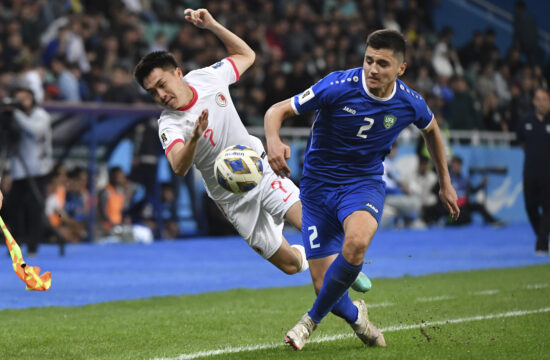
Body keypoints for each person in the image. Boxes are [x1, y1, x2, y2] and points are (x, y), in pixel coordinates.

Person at [133, 8, 370, 289]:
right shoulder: (169, 124)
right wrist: (194, 137)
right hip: (231, 197)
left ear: (178, 73)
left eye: (161, 84)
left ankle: (344, 265)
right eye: (152, 92)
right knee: (290, 266)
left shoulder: (208, 78)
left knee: (309, 224)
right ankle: (311, 256)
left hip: (260, 168)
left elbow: (247, 56)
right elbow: (178, 166)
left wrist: (213, 26)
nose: (160, 95)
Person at [265, 29, 459, 350]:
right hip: (316, 190)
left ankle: (309, 322)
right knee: (323, 285)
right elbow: (277, 111)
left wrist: (446, 183)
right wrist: (273, 140)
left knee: (356, 242)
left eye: (383, 63)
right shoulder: (337, 85)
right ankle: (358, 317)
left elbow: (432, 130)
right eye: (369, 60)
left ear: (401, 69)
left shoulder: (409, 102)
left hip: (362, 185)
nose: (372, 69)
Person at [3, 86, 53, 256]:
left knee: (34, 209)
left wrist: (16, 113)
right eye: (17, 99)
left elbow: (35, 132)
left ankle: (33, 246)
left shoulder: (41, 115)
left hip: (38, 170)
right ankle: (14, 245)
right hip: (18, 170)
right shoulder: (11, 117)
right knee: (13, 207)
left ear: (32, 99)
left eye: (24, 98)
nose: (21, 102)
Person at [517, 88, 550, 254]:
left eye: (544, 99)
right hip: (530, 172)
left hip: (548, 174)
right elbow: (521, 142)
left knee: (548, 208)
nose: (541, 103)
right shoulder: (525, 121)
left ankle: (542, 244)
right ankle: (541, 236)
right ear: (534, 102)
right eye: (539, 99)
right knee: (530, 207)